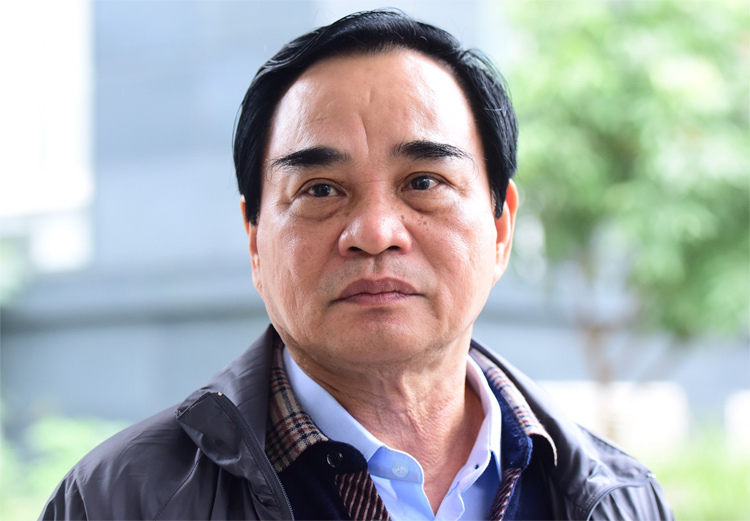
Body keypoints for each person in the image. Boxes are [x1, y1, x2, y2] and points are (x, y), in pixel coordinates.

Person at [40, 10, 673, 521]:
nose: (374, 233)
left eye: (423, 182)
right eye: (320, 189)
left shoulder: (619, 500)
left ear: (501, 227)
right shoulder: (119, 501)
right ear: (255, 240)